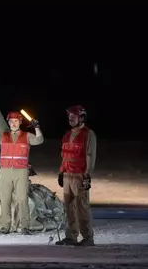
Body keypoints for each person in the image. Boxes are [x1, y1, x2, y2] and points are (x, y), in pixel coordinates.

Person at [0, 110, 44, 234]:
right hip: (5, 171)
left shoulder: (27, 136)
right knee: (4, 199)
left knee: (22, 199)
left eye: (16, 121)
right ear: (8, 122)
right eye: (11, 121)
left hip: (21, 171)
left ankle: (25, 226)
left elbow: (39, 140)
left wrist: (37, 127)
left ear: (20, 122)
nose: (13, 123)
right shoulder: (3, 136)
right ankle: (5, 226)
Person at [55, 105, 96, 246]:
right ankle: (71, 236)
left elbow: (90, 155)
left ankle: (88, 237)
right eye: (69, 117)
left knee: (82, 207)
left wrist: (87, 175)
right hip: (67, 175)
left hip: (79, 175)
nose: (70, 119)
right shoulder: (67, 134)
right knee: (69, 207)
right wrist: (61, 172)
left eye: (74, 116)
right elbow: (64, 155)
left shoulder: (88, 134)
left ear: (82, 117)